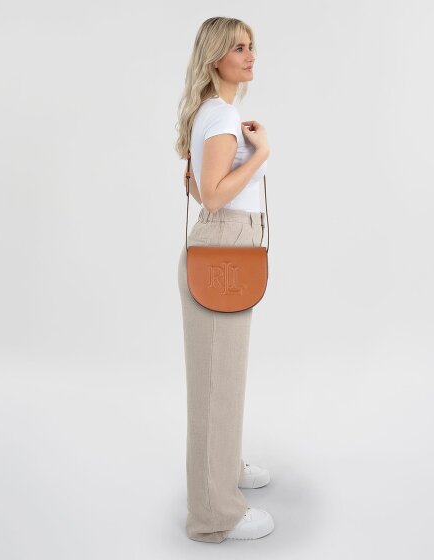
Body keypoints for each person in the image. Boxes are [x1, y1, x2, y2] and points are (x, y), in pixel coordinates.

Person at [174, 17, 274, 543]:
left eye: (251, 45)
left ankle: (225, 468)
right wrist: (261, 154)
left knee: (225, 372)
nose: (250, 54)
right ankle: (214, 515)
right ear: (215, 57)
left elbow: (194, 186)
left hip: (226, 244)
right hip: (225, 244)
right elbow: (213, 196)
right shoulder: (222, 116)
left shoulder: (214, 113)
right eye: (238, 47)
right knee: (216, 379)